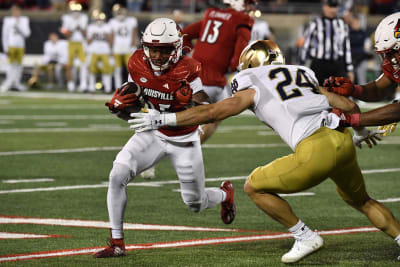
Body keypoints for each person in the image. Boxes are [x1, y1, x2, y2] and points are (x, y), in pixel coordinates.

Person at [129, 40, 400, 263]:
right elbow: (345, 104)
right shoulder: (301, 74)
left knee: (253, 186)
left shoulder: (251, 83)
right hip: (341, 140)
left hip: (314, 149)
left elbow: (212, 112)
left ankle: (304, 235)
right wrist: (362, 133)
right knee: (362, 200)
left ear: (249, 64)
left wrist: (163, 119)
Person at [93, 18, 236, 258]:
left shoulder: (188, 69)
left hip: (184, 140)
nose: (157, 55)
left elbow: (206, 111)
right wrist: (121, 108)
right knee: (117, 174)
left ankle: (225, 194)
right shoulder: (137, 61)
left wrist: (189, 101)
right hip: (153, 133)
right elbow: (134, 103)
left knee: (194, 203)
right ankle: (117, 242)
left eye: (164, 49)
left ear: (177, 48)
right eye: (153, 48)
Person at [182, 0, 255, 143]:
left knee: (214, 117)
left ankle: (190, 148)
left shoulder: (211, 14)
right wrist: (228, 67)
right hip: (213, 81)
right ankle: (187, 149)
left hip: (195, 77)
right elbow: (240, 59)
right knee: (185, 123)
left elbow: (184, 34)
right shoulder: (241, 19)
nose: (252, 7)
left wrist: (190, 58)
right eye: (249, 2)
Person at [323, 12, 400, 135]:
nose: (389, 59)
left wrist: (351, 120)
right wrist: (354, 90)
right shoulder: (395, 61)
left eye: (392, 52)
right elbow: (379, 89)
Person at [299, 0, 354, 85]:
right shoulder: (315, 23)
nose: (332, 10)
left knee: (341, 94)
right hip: (319, 65)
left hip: (337, 65)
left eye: (334, 7)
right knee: (318, 94)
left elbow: (346, 47)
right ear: (324, 7)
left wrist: (349, 69)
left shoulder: (342, 24)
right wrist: (301, 65)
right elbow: (305, 45)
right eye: (330, 6)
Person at [0, 5, 31, 92]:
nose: (16, 13)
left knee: (19, 65)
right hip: (11, 46)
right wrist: (6, 48)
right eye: (14, 11)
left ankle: (16, 83)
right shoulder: (8, 20)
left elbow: (27, 34)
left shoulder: (24, 20)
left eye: (17, 11)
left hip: (20, 46)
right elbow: (4, 35)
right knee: (11, 65)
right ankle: (9, 83)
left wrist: (18, 25)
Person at [109, 4, 139, 91]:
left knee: (131, 69)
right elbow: (111, 37)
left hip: (128, 48)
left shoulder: (132, 20)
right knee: (117, 69)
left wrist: (133, 46)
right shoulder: (112, 22)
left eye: (121, 11)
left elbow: (134, 34)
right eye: (118, 11)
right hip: (117, 48)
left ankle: (133, 87)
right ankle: (118, 88)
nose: (120, 13)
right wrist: (111, 49)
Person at [60, 0, 88, 92]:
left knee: (84, 64)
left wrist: (80, 27)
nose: (76, 13)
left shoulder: (84, 17)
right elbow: (65, 33)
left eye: (77, 10)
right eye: (74, 10)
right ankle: (70, 84)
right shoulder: (66, 18)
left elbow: (85, 34)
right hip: (70, 43)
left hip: (81, 43)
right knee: (69, 65)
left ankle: (83, 84)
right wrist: (73, 28)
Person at [86, 10, 113, 93]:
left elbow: (111, 40)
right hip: (94, 50)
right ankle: (91, 88)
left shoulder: (108, 27)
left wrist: (107, 37)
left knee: (106, 69)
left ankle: (108, 88)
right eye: (98, 19)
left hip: (105, 50)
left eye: (101, 19)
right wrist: (93, 36)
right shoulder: (91, 27)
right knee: (92, 69)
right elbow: (88, 41)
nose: (99, 21)